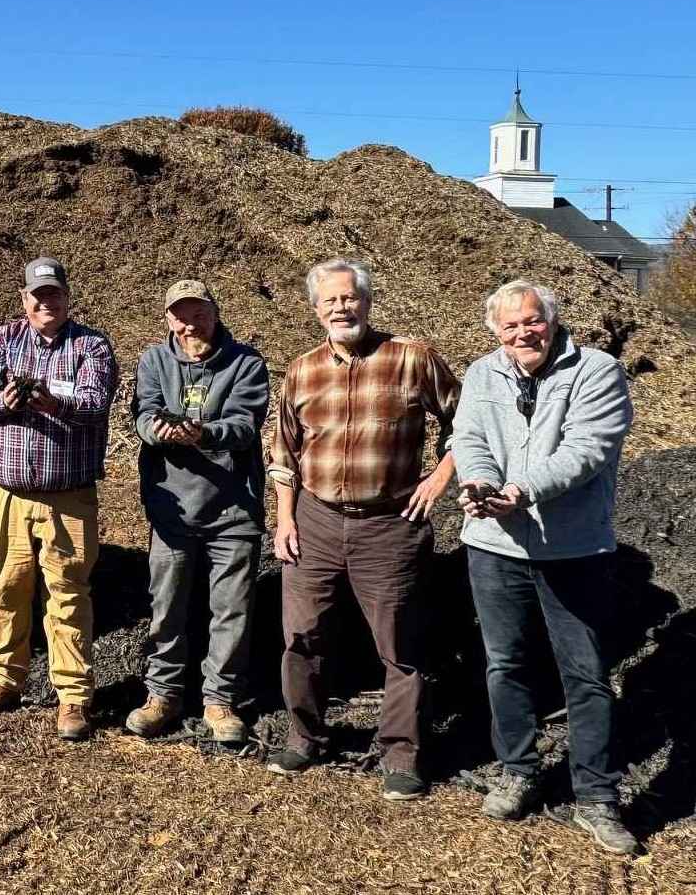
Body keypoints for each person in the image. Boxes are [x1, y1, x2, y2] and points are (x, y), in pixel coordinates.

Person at [452, 280, 637, 855]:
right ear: (495, 332)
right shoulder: (484, 373)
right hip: (494, 544)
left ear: (552, 321)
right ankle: (518, 769)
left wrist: (520, 489)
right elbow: (468, 435)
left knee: (583, 673)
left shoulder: (598, 371)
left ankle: (597, 796)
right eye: (508, 326)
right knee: (504, 664)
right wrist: (479, 484)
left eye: (532, 321)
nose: (521, 333)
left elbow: (588, 450)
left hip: (574, 549)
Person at [265, 259, 459, 801]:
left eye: (349, 298)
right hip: (315, 521)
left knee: (399, 644)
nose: (340, 308)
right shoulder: (302, 370)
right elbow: (285, 449)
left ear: (367, 302)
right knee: (302, 637)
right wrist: (284, 517)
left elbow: (466, 422)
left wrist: (439, 478)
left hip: (391, 524)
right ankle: (306, 736)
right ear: (316, 309)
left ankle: (401, 753)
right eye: (329, 301)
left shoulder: (412, 359)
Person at [0, 256, 119, 741]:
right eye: (37, 295)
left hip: (68, 497)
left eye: (53, 294)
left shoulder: (91, 345)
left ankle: (73, 697)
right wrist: (4, 401)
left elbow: (95, 404)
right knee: (5, 586)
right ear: (24, 300)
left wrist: (56, 403)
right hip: (6, 494)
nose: (45, 302)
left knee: (69, 592)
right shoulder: (0, 340)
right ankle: (3, 680)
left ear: (67, 298)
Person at [127, 280, 269, 742]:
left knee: (231, 610)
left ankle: (220, 700)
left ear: (215, 312)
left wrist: (203, 434)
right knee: (165, 605)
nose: (190, 324)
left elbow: (246, 425)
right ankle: (162, 694)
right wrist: (158, 429)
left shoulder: (246, 362)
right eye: (181, 316)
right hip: (172, 511)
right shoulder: (154, 360)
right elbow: (144, 411)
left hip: (233, 510)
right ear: (169, 319)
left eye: (199, 314)